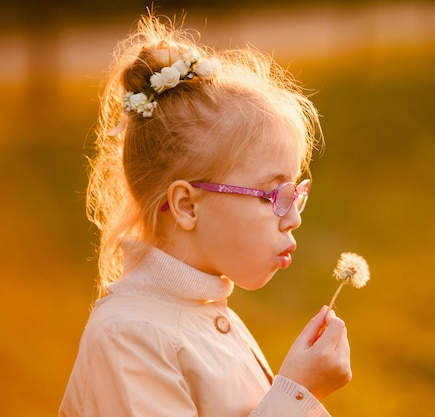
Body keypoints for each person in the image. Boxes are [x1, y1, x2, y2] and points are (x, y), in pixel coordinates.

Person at [59, 13, 351, 417]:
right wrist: (297, 392)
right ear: (186, 206)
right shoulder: (129, 337)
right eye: (274, 195)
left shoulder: (204, 314)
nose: (294, 217)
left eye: (295, 193)